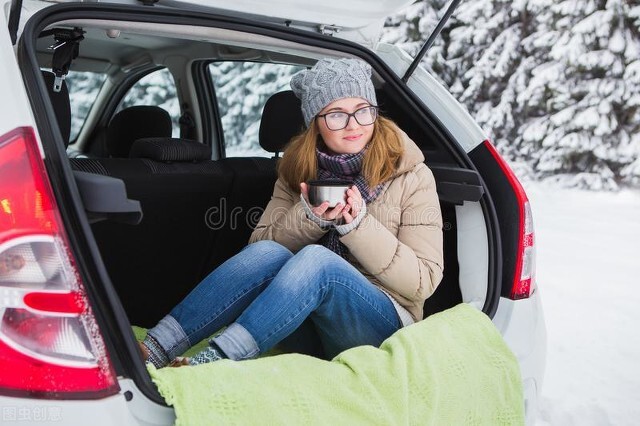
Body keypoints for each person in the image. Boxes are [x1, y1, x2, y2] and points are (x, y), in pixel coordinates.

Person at [140, 58, 444, 367]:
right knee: (271, 253)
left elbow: (424, 282)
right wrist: (310, 217)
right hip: (304, 320)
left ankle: (213, 361)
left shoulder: (413, 176)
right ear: (315, 121)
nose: (354, 125)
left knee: (318, 260)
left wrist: (357, 226)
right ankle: (155, 347)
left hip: (380, 325)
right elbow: (259, 248)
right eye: (337, 114)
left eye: (364, 110)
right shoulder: (297, 170)